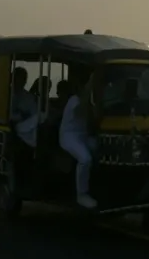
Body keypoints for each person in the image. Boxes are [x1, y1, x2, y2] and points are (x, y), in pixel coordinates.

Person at [59, 79, 98, 209]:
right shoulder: (74, 100)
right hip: (69, 136)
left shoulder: (90, 101)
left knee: (100, 150)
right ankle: (81, 195)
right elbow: (81, 111)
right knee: (85, 159)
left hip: (83, 135)